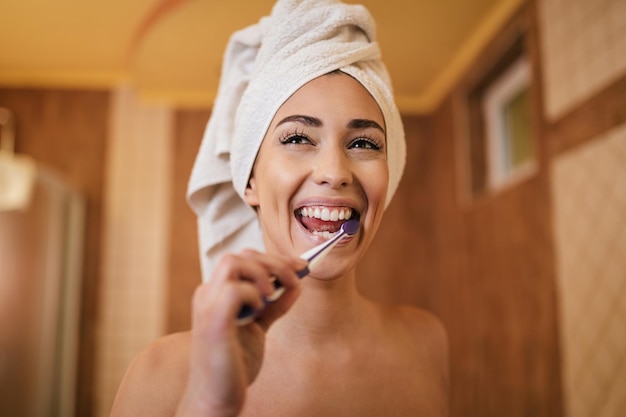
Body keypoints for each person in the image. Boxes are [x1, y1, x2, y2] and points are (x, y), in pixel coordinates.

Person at [111, 1, 448, 416]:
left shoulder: (428, 343)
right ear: (249, 180)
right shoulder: (161, 375)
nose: (333, 172)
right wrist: (209, 402)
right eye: (297, 138)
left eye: (364, 143)